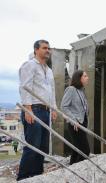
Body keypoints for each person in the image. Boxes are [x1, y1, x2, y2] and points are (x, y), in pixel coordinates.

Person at [17, 40, 57, 181]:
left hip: (45, 111)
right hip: (34, 109)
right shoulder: (30, 65)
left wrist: (53, 109)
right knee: (32, 146)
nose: (48, 50)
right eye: (44, 48)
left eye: (49, 48)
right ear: (36, 50)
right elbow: (24, 87)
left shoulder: (49, 70)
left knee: (42, 147)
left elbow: (51, 91)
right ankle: (23, 178)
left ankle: (37, 177)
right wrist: (28, 110)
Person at [61, 70, 90, 165]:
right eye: (85, 76)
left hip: (83, 122)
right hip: (75, 124)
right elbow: (64, 106)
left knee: (77, 149)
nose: (87, 78)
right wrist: (73, 120)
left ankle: (72, 168)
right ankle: (78, 171)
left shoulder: (81, 91)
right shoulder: (71, 89)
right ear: (79, 78)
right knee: (85, 150)